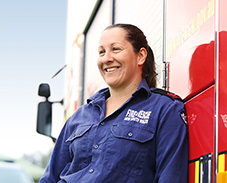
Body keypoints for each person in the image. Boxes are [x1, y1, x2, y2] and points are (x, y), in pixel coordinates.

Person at [39, 23, 188, 183]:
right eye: (101, 52)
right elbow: (50, 178)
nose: (107, 58)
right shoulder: (79, 116)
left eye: (115, 49)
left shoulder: (165, 110)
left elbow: (171, 177)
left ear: (140, 56)